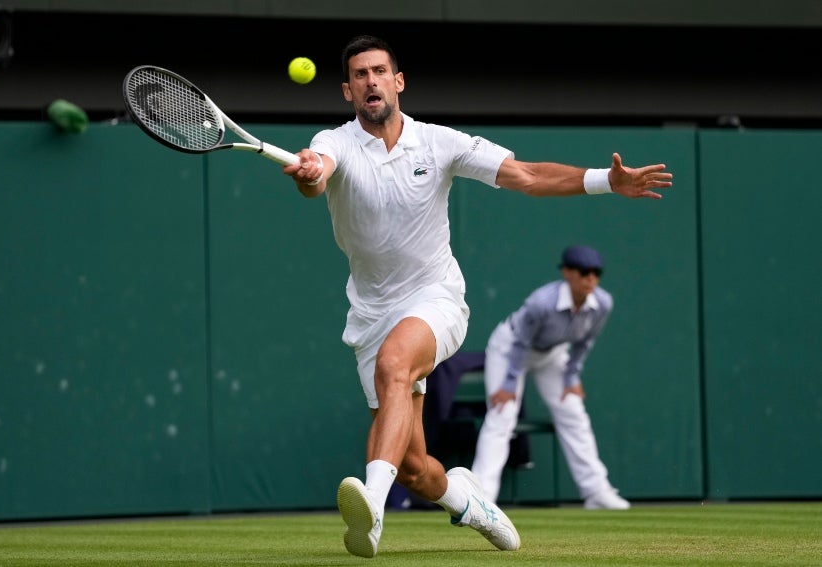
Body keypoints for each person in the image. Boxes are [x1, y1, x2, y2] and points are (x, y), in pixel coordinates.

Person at [281, 35, 671, 558]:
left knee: (396, 365)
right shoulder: (333, 142)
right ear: (348, 91)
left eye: (379, 71)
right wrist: (310, 173)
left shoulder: (440, 142)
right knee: (418, 469)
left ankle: (372, 506)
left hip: (435, 298)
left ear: (398, 82)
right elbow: (317, 175)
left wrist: (606, 181)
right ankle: (469, 502)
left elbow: (527, 176)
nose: (370, 81)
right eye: (359, 75)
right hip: (370, 313)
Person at [471, 245, 631, 510]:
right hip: (510, 349)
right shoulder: (542, 303)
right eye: (583, 272)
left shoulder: (602, 303)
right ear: (567, 273)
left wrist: (571, 377)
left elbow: (585, 343)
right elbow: (521, 343)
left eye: (596, 273)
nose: (590, 278)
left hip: (553, 354)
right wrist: (509, 385)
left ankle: (596, 492)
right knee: (502, 413)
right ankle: (482, 496)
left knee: (573, 411)